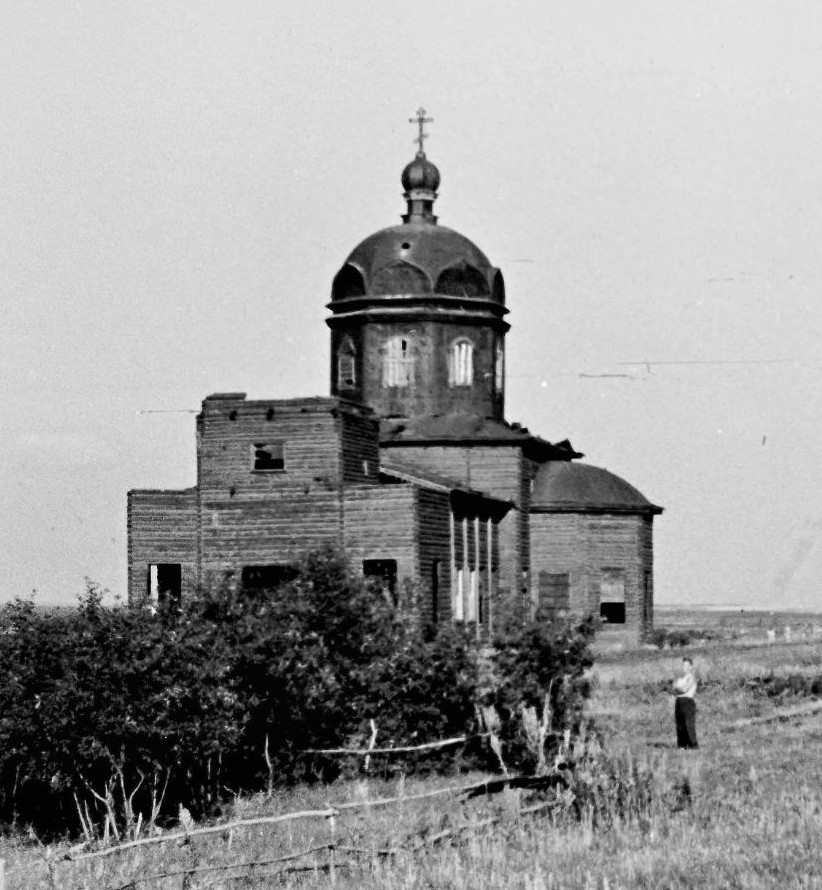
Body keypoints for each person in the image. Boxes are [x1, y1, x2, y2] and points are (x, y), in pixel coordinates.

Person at [673, 656, 698, 749]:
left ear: (690, 666)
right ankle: (682, 745)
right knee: (680, 724)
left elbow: (684, 689)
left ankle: (693, 745)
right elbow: (673, 688)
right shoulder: (679, 677)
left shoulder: (691, 677)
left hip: (687, 701)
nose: (684, 667)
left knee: (688, 724)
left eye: (687, 665)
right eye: (683, 665)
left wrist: (678, 689)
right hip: (679, 701)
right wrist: (677, 689)